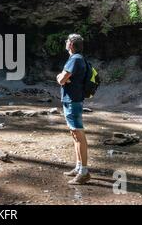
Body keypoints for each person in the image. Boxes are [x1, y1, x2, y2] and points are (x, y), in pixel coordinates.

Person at [56, 34, 91, 185]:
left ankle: (84, 172)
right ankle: (78, 167)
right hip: (72, 100)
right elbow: (66, 79)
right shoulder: (78, 58)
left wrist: (60, 77)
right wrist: (64, 78)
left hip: (73, 101)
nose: (65, 43)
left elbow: (62, 79)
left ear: (70, 44)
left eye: (66, 41)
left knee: (78, 133)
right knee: (75, 134)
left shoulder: (75, 59)